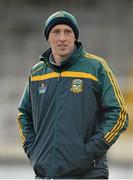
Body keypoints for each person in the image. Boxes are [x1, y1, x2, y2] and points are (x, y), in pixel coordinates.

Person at [17, 11, 128, 179]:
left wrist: (89, 153)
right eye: (56, 32)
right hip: (46, 174)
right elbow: (23, 114)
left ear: (75, 36)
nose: (62, 38)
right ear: (48, 37)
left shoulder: (96, 67)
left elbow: (119, 114)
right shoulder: (37, 72)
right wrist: (34, 151)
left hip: (88, 174)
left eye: (68, 32)